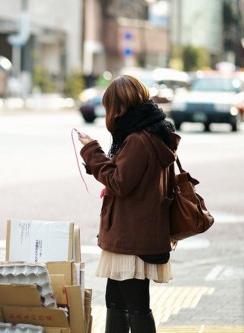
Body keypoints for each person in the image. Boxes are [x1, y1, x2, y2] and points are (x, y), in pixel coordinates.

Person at [77, 75, 180, 333]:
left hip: (132, 237)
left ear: (120, 108)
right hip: (134, 232)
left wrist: (91, 150)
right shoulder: (152, 133)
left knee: (135, 306)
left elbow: (120, 182)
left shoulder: (138, 140)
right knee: (116, 301)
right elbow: (131, 179)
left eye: (109, 107)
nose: (107, 114)